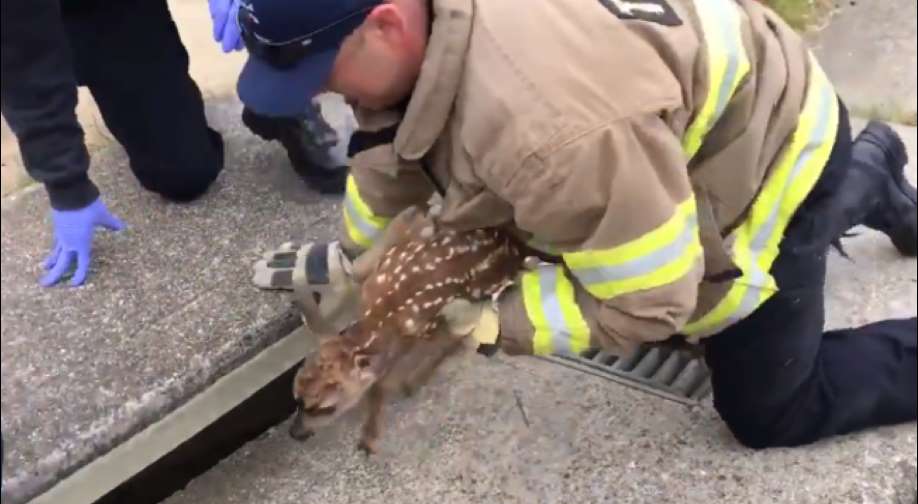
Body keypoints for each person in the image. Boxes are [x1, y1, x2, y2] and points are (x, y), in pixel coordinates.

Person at [243, 0, 917, 450]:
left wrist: (485, 323)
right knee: (587, 220)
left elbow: (652, 299)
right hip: (672, 105)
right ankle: (874, 169)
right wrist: (357, 261)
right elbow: (397, 151)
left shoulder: (549, 138)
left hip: (771, 146)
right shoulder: (431, 35)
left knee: (768, 409)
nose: (320, 96)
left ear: (387, 25)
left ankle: (853, 175)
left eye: (321, 74)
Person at [0, 0, 348, 288]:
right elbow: (21, 58)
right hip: (69, 15)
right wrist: (66, 185)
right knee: (183, 175)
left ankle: (283, 90)